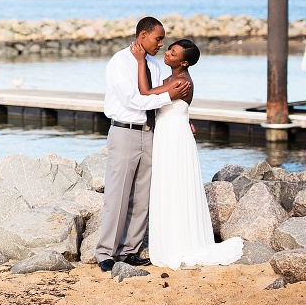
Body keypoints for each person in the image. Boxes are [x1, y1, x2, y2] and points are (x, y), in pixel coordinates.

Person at [131, 39, 244, 270]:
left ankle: (180, 243)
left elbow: (146, 93)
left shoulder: (181, 81)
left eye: (173, 53)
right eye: (169, 49)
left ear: (183, 62)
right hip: (167, 133)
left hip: (174, 137)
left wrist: (141, 61)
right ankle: (171, 239)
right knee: (168, 185)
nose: (168, 53)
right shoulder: (172, 78)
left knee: (176, 184)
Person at [95, 16, 191, 272]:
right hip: (124, 132)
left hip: (150, 133)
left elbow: (159, 97)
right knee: (117, 195)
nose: (161, 44)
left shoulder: (153, 65)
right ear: (143, 35)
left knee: (142, 196)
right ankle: (106, 252)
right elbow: (133, 100)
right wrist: (167, 97)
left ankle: (130, 250)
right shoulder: (119, 62)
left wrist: (181, 118)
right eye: (158, 38)